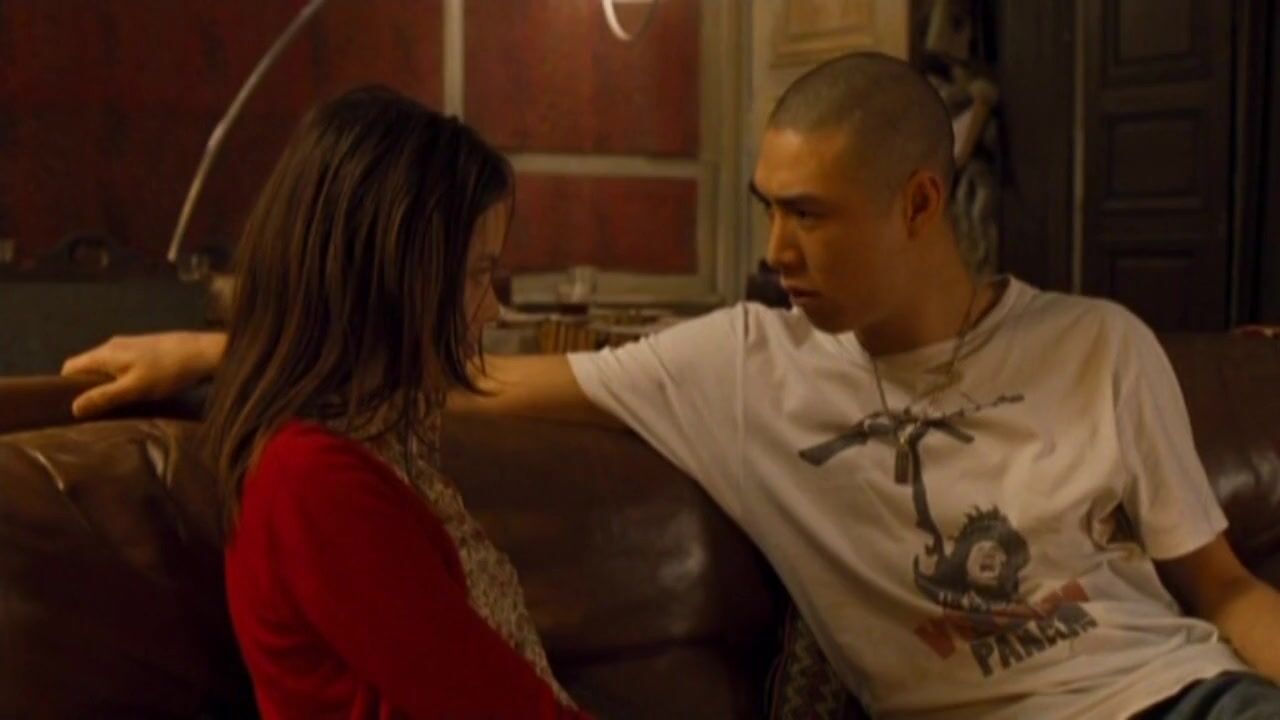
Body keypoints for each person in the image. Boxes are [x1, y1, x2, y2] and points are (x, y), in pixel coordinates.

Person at [63, 54, 1280, 719]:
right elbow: (462, 374)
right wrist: (222, 351)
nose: (774, 250)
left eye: (809, 216)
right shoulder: (739, 363)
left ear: (919, 202)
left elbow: (1222, 589)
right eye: (765, 209)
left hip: (1184, 695)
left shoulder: (1099, 344)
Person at [131, 86, 588, 719]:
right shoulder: (312, 480)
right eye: (478, 276)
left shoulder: (380, 441)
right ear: (389, 277)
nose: (492, 310)